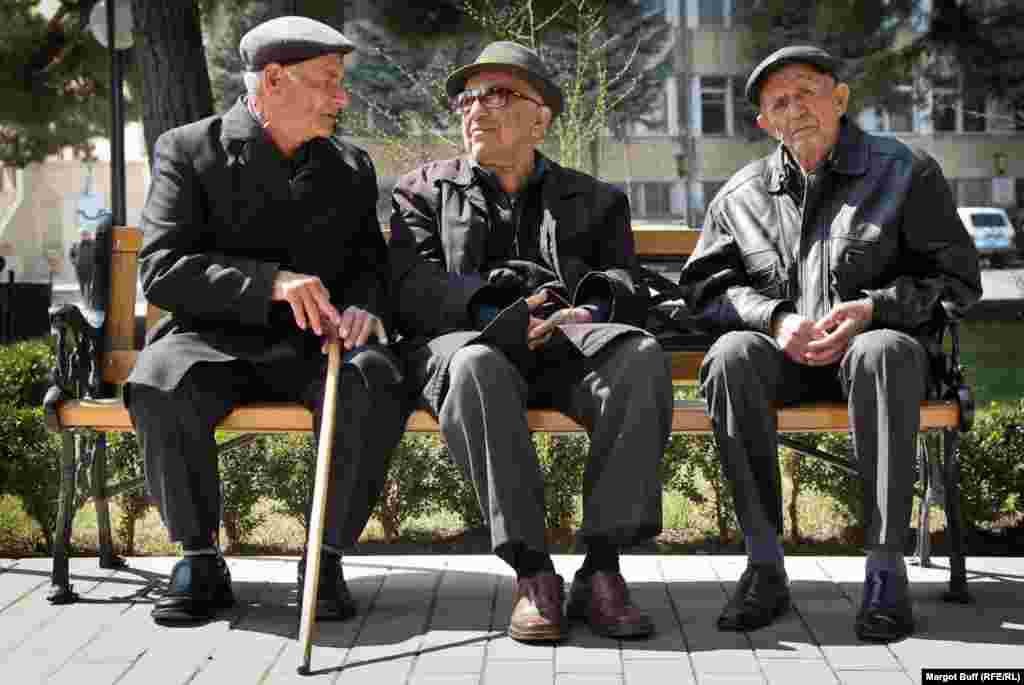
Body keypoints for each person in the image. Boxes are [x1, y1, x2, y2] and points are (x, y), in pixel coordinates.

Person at [680, 46, 982, 642]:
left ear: (839, 99)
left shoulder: (905, 172)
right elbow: (704, 291)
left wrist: (875, 309)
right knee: (731, 356)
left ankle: (883, 570)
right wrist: (773, 320)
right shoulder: (739, 196)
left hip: (878, 365)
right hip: (784, 363)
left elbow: (957, 283)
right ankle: (764, 567)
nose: (796, 110)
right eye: (779, 103)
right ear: (765, 123)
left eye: (807, 93)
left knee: (882, 350)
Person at [388, 41, 672, 643]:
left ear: (541, 117)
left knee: (640, 357)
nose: (476, 109)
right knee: (477, 365)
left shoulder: (595, 199)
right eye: (469, 97)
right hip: (471, 346)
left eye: (499, 95)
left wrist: (584, 309)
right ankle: (533, 572)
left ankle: (602, 568)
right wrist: (501, 310)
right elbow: (413, 286)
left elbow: (625, 281)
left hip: (568, 350)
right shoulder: (422, 192)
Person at [125, 16, 405, 625]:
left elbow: (371, 268)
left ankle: (323, 556)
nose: (342, 97)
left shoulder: (349, 166)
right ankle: (199, 557)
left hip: (315, 345)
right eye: (329, 82)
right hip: (211, 339)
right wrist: (269, 283)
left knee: (375, 380)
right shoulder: (187, 149)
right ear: (274, 79)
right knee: (158, 382)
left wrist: (364, 306)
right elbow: (164, 269)